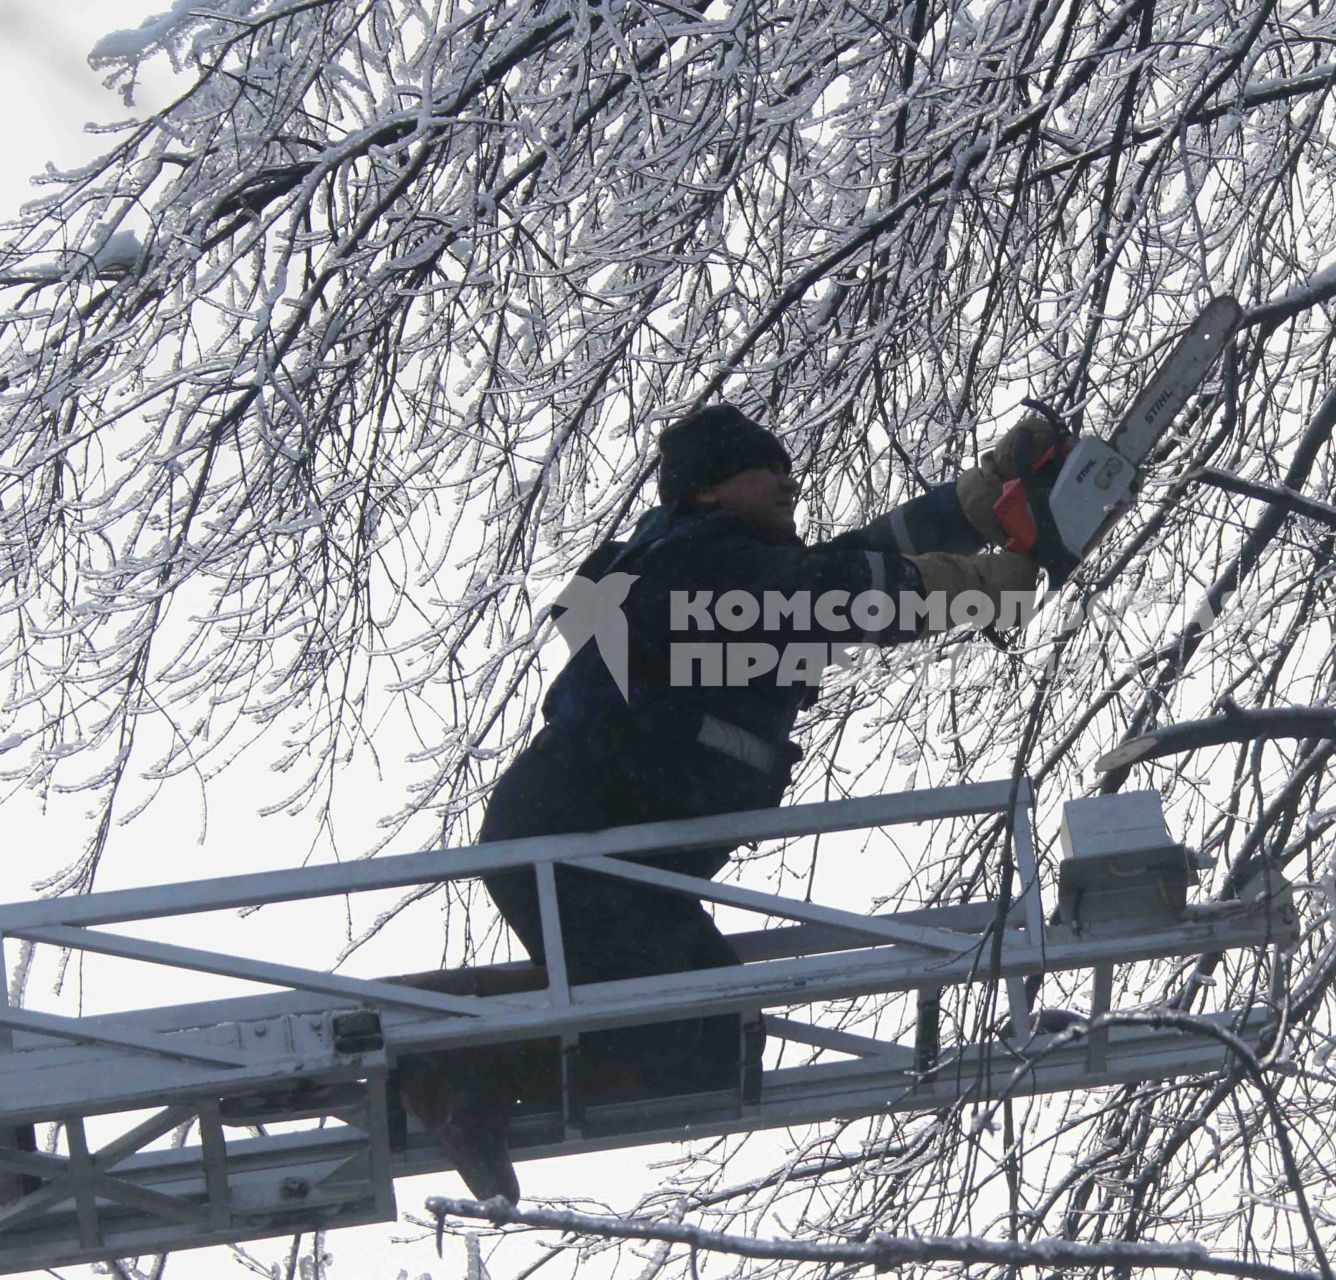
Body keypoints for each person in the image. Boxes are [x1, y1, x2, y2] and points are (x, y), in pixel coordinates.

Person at [402, 405, 1052, 1201]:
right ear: (708, 492)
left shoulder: (709, 562)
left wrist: (978, 504)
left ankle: (445, 1054)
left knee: (716, 1041)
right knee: (696, 1042)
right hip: (575, 851)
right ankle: (447, 1071)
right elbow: (838, 592)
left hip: (597, 848)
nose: (790, 481)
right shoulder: (701, 566)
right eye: (764, 470)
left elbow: (856, 563)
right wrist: (991, 588)